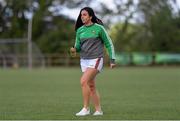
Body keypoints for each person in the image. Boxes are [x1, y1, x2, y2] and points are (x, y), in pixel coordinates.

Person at [70, 7, 116, 116]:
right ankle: (99, 110)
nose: (82, 17)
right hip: (84, 61)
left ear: (90, 16)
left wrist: (112, 60)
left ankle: (86, 109)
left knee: (83, 81)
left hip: (96, 59)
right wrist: (74, 49)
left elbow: (109, 43)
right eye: (81, 15)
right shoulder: (79, 30)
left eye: (85, 15)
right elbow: (78, 46)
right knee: (91, 86)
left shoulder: (99, 28)